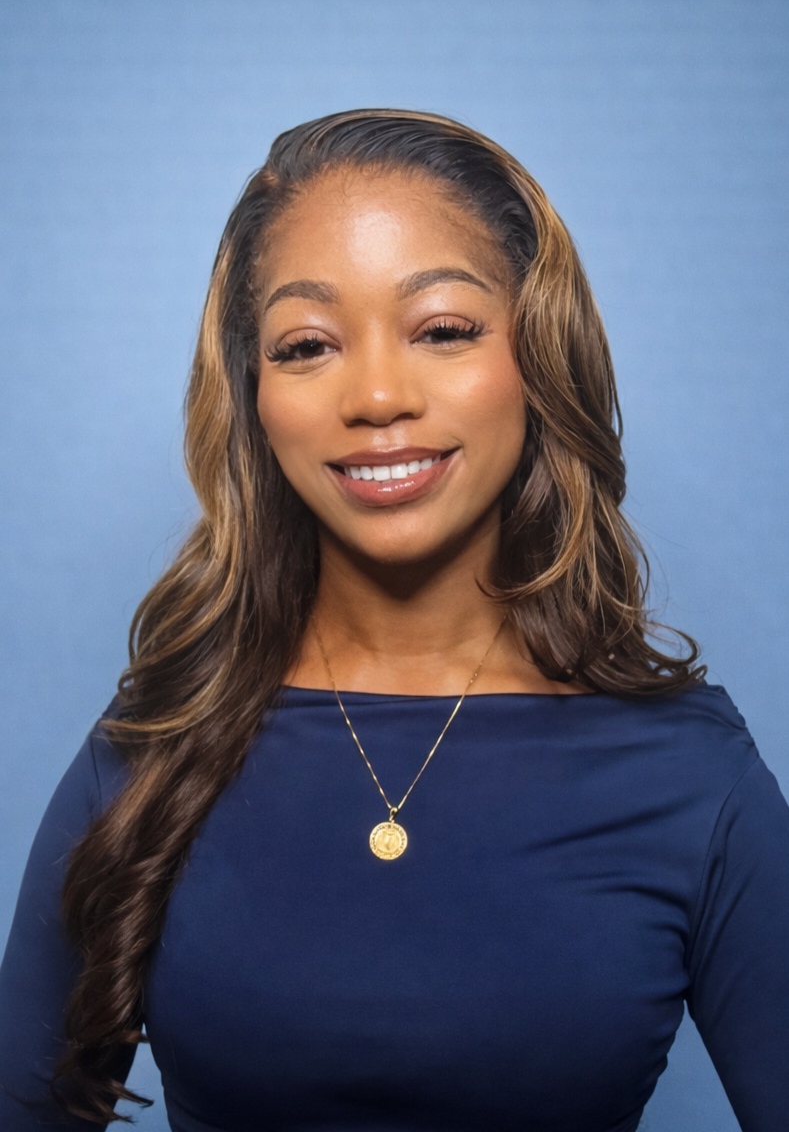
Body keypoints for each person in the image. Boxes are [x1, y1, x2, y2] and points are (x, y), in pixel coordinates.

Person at [1, 109, 787, 1132]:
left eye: (444, 328)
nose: (376, 394)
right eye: (308, 344)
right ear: (254, 393)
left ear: (540, 354)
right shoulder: (149, 753)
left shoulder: (692, 774)